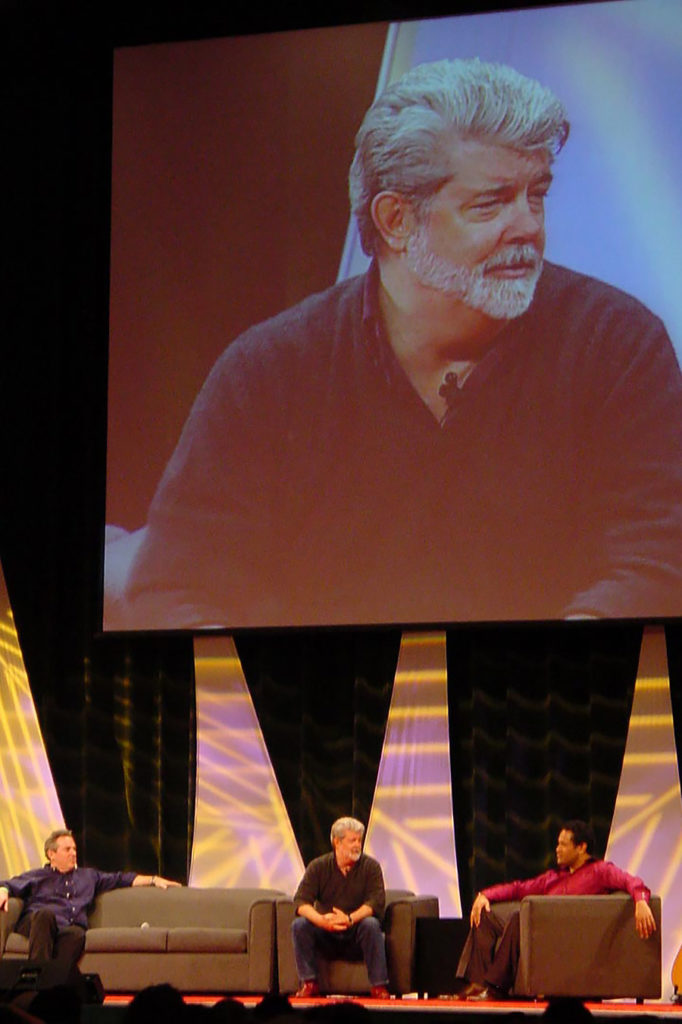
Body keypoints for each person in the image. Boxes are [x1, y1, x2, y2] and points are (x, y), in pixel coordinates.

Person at [116, 57, 682, 630]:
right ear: (395, 220)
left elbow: (658, 560)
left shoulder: (620, 347)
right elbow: (176, 588)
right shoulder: (268, 371)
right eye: (490, 203)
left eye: (536, 196)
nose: (529, 227)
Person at [456, 819, 656, 1001]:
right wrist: (484, 896)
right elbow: (518, 888)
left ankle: (496, 989)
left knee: (520, 918)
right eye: (558, 843)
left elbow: (631, 881)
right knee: (486, 914)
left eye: (563, 844)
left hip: (564, 939)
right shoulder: (554, 877)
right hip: (537, 932)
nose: (557, 849)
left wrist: (640, 901)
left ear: (581, 847)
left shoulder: (599, 871)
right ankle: (478, 983)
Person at [0, 828, 180, 973]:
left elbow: (121, 879)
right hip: (37, 923)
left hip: (68, 929)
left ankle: (52, 982)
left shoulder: (88, 876)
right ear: (51, 854)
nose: (73, 853)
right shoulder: (37, 876)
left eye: (74, 849)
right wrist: (2, 891)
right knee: (45, 916)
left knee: (78, 934)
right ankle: (36, 978)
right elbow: (8, 884)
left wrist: (154, 879)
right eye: (67, 849)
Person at [291, 817, 389, 999]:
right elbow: (300, 902)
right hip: (326, 932)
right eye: (352, 840)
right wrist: (321, 920)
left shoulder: (371, 867)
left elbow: (375, 902)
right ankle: (309, 983)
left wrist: (350, 919)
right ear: (337, 842)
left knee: (371, 924)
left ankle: (379, 986)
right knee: (300, 925)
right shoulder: (318, 867)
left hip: (356, 932)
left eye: (359, 840)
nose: (357, 845)